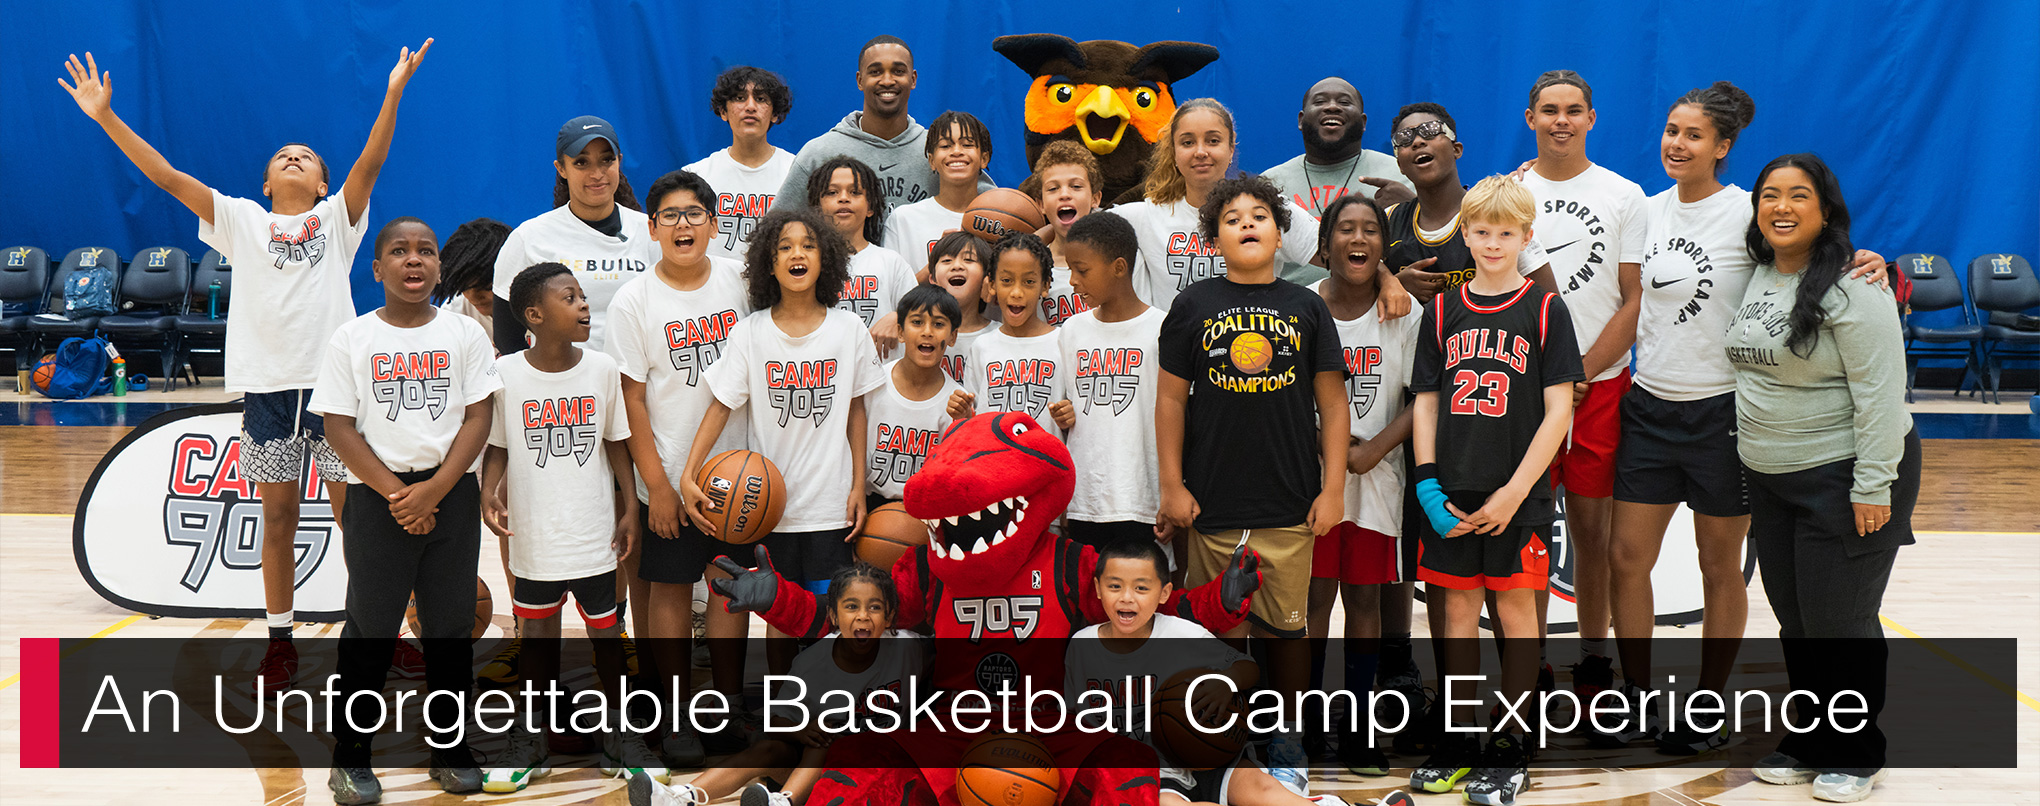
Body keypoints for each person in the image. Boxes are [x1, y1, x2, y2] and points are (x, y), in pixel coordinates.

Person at [59, 41, 431, 693]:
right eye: (281, 156)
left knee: (359, 521)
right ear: (265, 183)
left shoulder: (336, 220)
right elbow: (168, 177)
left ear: (321, 182)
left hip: (334, 398)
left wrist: (394, 90)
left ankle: (385, 634)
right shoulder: (241, 221)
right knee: (278, 518)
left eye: (307, 157)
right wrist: (106, 118)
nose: (294, 156)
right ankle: (280, 643)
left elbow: (371, 160)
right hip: (266, 394)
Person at [1611, 85, 1890, 757]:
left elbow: (1810, 257)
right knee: (1626, 560)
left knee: (1719, 568)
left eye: (1694, 135)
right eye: (1672, 130)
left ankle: (1709, 706)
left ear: (1723, 147)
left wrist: (1868, 260)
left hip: (1723, 414)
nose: (1678, 144)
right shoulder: (1644, 212)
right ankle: (1638, 700)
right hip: (1649, 405)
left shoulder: (1747, 212)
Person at [1726, 153, 1917, 804]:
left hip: (1845, 473)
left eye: (1798, 196)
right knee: (1798, 619)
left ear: (1826, 211)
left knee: (1842, 619)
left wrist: (1873, 485)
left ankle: (1857, 751)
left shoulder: (1853, 284)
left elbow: (1883, 394)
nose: (1781, 206)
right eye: (1770, 195)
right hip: (1773, 478)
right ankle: (1811, 738)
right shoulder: (1755, 271)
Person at [1156, 175, 1349, 795]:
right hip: (1210, 498)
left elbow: (1334, 404)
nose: (1247, 223)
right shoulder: (1192, 307)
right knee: (1218, 629)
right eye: (1232, 217)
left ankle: (1285, 734)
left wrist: (1334, 487)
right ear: (1212, 239)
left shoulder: (1307, 305)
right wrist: (1170, 483)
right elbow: (1168, 401)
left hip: (1290, 498)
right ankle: (1221, 740)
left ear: (1279, 230)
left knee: (1284, 630)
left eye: (1259, 214)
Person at [309, 217, 500, 803]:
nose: (413, 261)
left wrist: (435, 490)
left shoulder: (464, 337)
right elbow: (338, 427)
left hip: (450, 497)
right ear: (377, 268)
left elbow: (478, 416)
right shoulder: (352, 338)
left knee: (449, 628)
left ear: (440, 267)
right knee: (371, 629)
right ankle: (352, 757)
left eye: (425, 251)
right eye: (399, 251)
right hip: (379, 500)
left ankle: (450, 745)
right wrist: (399, 494)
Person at [1405, 175, 1582, 806]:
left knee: (1513, 616)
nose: (1492, 243)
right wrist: (1427, 483)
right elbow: (1425, 401)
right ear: (1466, 234)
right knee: (1453, 615)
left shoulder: (1544, 308)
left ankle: (1509, 745)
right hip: (1451, 490)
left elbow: (1559, 412)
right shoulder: (1443, 310)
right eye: (1481, 232)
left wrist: (1514, 492)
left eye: (1506, 233)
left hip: (1519, 495)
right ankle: (1457, 739)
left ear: (1526, 237)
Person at [679, 207, 886, 675]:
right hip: (766, 506)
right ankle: (781, 708)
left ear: (826, 260)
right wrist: (689, 474)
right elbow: (721, 405)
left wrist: (859, 485)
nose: (797, 254)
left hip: (830, 502)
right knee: (780, 616)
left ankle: (824, 708)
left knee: (825, 612)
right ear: (768, 265)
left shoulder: (848, 328)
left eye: (808, 246)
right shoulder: (751, 332)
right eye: (784, 247)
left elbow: (857, 411)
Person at [480, 262, 663, 790]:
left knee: (608, 634)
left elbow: (615, 442)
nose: (584, 305)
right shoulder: (507, 374)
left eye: (583, 296)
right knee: (536, 635)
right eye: (570, 297)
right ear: (534, 315)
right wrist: (489, 493)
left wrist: (630, 506)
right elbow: (497, 444)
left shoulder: (602, 369)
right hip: (534, 535)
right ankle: (530, 737)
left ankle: (621, 734)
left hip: (594, 533)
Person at [607, 169, 756, 760]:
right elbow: (632, 398)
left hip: (737, 475)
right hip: (667, 472)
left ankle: (721, 709)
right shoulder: (633, 300)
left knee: (729, 589)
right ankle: (673, 716)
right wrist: (658, 485)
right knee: (668, 589)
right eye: (669, 215)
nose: (683, 225)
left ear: (715, 224)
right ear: (651, 228)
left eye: (694, 214)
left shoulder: (741, 284)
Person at [1516, 70, 1648, 716]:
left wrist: (1579, 372)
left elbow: (1632, 303)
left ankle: (1594, 660)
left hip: (1597, 389)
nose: (1561, 120)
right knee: (1533, 534)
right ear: (1530, 118)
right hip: (1523, 392)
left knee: (1592, 533)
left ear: (1592, 118)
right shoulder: (1509, 191)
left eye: (1573, 110)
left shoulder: (1625, 196)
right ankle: (1533, 661)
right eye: (1549, 110)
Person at [629, 563, 925, 806]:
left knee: (831, 743)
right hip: (818, 768)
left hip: (880, 764)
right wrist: (801, 730)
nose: (863, 616)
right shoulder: (813, 663)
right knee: (786, 746)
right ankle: (680, 797)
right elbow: (776, 720)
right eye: (851, 606)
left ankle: (783, 801)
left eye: (874, 607)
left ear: (890, 617)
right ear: (833, 616)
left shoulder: (910, 649)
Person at [1063, 539, 1325, 806]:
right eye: (1114, 586)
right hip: (1154, 772)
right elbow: (1075, 722)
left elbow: (1247, 667)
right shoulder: (1081, 647)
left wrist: (1225, 681)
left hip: (1211, 753)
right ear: (1097, 588)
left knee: (1265, 791)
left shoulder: (1181, 633)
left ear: (1164, 593)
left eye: (1141, 588)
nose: (1127, 597)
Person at [1302, 194, 1420, 777]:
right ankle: (1308, 721)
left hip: (1378, 477)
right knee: (1314, 600)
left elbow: (1427, 394)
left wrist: (1375, 447)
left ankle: (1359, 727)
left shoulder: (1404, 312)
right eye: (1345, 228)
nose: (1359, 238)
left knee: (1366, 600)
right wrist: (1326, 449)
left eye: (1371, 229)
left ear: (1383, 246)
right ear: (1324, 246)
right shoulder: (1300, 307)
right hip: (1314, 481)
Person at [1115, 99, 1379, 307]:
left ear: (1231, 150)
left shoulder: (1268, 211)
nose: (1200, 151)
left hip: (1254, 355)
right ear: (1173, 153)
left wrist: (1388, 281)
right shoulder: (1143, 217)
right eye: (1187, 142)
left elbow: (1343, 256)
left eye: (1213, 140)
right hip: (1178, 365)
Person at [491, 115, 655, 354]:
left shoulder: (651, 231)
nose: (597, 173)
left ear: (619, 161)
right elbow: (508, 338)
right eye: (581, 163)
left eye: (606, 160)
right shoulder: (529, 238)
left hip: (639, 385)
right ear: (561, 168)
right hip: (564, 388)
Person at [775, 36, 991, 212]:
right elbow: (777, 230)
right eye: (875, 72)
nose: (887, 80)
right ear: (860, 80)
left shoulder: (940, 151)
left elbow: (996, 212)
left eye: (898, 71)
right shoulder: (820, 153)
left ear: (913, 79)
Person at [1057, 212, 1166, 549]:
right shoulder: (1071, 330)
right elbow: (1065, 407)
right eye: (1071, 269)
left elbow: (1175, 415)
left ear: (1119, 268)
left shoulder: (1162, 328)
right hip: (1084, 500)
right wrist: (1064, 412)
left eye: (1082, 270)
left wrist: (1173, 491)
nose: (1073, 280)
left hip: (1143, 500)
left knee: (1145, 596)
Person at [1380, 103, 1558, 304]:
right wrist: (1392, 283)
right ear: (1400, 166)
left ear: (1456, 149)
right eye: (1405, 138)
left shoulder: (1500, 211)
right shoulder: (1387, 220)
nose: (1418, 141)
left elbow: (1550, 305)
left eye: (1430, 131)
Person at [947, 232, 1072, 442]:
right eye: (1006, 280)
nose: (1016, 292)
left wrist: (1069, 416)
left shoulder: (1062, 343)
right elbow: (973, 417)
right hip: (993, 466)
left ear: (1045, 286)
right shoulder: (982, 346)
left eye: (1029, 281)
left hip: (1045, 467)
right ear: (992, 285)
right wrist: (962, 414)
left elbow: (1075, 414)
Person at [685, 66, 797, 263]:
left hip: (779, 290)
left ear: (774, 114)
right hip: (715, 290)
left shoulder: (797, 172)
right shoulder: (695, 176)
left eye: (761, 99)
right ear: (723, 111)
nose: (750, 107)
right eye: (739, 98)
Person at [809, 155, 918, 354]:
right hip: (826, 375)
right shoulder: (806, 264)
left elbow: (919, 318)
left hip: (883, 378)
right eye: (832, 192)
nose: (843, 198)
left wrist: (899, 316)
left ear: (870, 208)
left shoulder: (891, 263)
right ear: (817, 208)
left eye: (855, 192)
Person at [865, 284, 962, 508]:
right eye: (917, 322)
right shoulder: (874, 383)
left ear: (953, 336)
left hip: (927, 508)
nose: (927, 331)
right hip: (872, 503)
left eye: (938, 324)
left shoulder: (956, 399)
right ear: (900, 332)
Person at [1263, 77, 1414, 219]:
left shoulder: (1403, 175)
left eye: (1344, 102)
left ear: (1363, 123)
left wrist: (1413, 206)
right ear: (1301, 120)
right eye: (1320, 101)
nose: (1332, 107)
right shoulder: (1269, 184)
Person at [881, 111, 991, 273]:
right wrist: (939, 259)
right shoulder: (903, 220)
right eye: (945, 146)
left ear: (984, 159)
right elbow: (894, 296)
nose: (956, 151)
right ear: (932, 161)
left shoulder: (1000, 219)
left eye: (967, 145)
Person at [1026, 140, 1104, 326]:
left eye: (1076, 186)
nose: (1064, 194)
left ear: (1095, 198)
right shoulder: (1031, 266)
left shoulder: (1116, 258)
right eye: (1053, 188)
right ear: (1041, 205)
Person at [924, 232, 996, 382]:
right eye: (947, 260)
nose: (956, 266)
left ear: (986, 277)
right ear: (932, 279)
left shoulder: (1000, 335)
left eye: (969, 259)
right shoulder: (921, 333)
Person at [435, 218, 511, 338]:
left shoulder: (541, 307)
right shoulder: (456, 313)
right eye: (463, 287)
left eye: (486, 287)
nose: (473, 296)